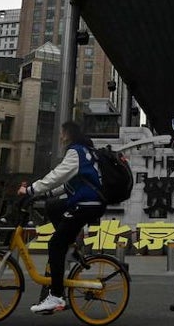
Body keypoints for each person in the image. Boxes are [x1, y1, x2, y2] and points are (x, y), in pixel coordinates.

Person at [18, 121, 104, 315]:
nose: (60, 136)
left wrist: (31, 189)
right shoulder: (85, 152)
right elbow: (67, 184)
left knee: (55, 244)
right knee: (53, 205)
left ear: (68, 134)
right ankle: (72, 243)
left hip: (86, 205)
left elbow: (56, 176)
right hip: (87, 202)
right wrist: (44, 195)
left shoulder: (76, 152)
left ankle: (56, 295)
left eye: (62, 133)